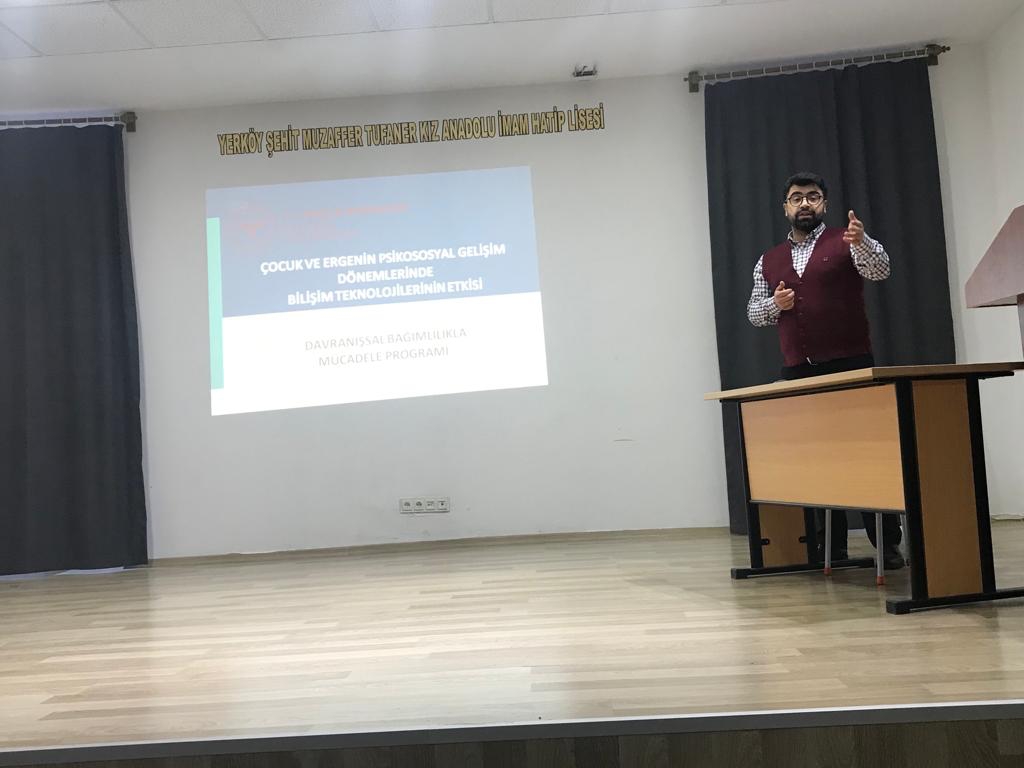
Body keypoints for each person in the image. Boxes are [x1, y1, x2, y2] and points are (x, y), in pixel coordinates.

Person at [746, 171, 904, 569]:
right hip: (799, 371)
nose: (805, 203)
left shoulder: (848, 240)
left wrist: (862, 241)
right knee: (813, 459)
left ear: (824, 204)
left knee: (868, 456)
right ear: (785, 207)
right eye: (797, 197)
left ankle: (887, 546)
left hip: (850, 364)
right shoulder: (767, 260)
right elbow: (753, 313)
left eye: (813, 197)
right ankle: (827, 549)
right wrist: (775, 306)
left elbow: (881, 270)